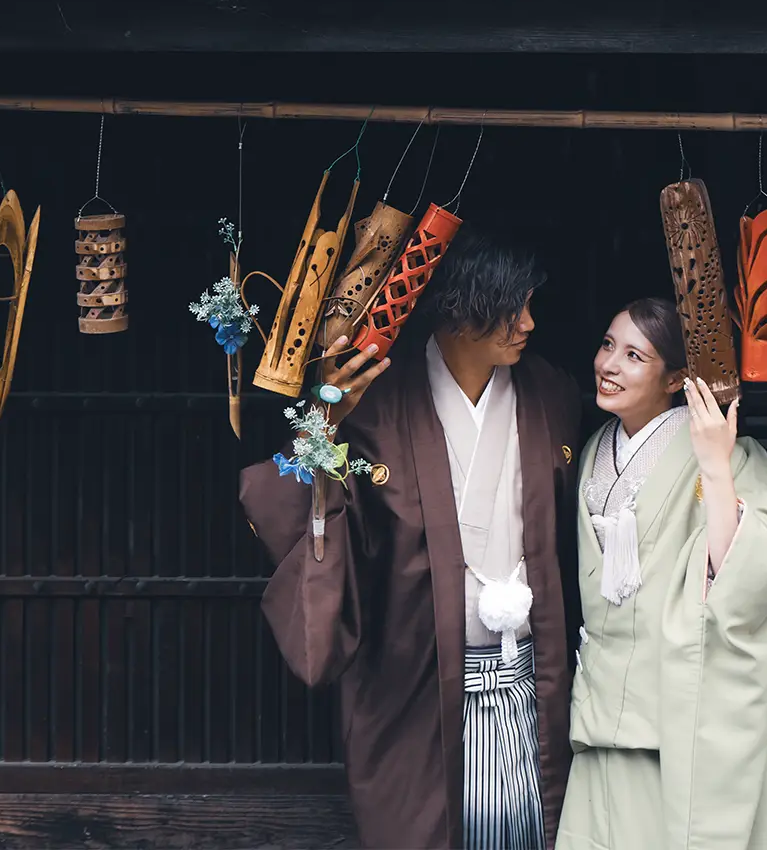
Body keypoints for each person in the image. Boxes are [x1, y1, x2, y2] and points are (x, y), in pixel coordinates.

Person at [240, 226, 583, 850]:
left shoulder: (551, 394)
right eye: (512, 307)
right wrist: (324, 422)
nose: (529, 323)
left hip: (530, 679)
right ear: (460, 307)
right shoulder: (374, 404)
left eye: (530, 304)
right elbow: (294, 504)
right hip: (416, 681)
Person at [557, 298, 767, 850]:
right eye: (608, 345)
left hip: (684, 712)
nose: (609, 364)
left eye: (634, 355)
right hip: (605, 708)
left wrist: (714, 464)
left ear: (675, 380)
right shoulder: (593, 449)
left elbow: (751, 577)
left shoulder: (734, 458)